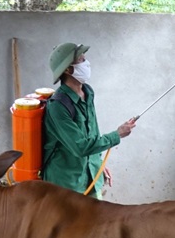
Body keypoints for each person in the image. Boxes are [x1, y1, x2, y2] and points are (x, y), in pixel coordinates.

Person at [42, 42, 136, 198]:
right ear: (67, 69)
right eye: (81, 60)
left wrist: (97, 164)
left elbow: (92, 133)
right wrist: (116, 135)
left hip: (91, 177)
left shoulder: (87, 92)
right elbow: (80, 147)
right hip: (66, 185)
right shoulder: (58, 106)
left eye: (85, 58)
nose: (87, 63)